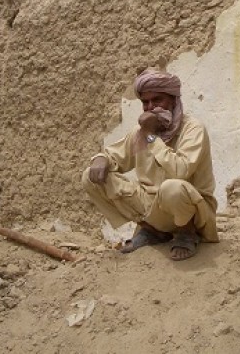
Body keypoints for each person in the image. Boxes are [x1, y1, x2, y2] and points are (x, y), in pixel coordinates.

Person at [81, 68, 219, 261]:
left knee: (172, 187)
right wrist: (100, 159)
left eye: (157, 100)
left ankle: (186, 234)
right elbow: (113, 156)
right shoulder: (140, 132)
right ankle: (152, 231)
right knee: (91, 176)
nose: (150, 108)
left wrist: (151, 137)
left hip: (193, 211)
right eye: (145, 102)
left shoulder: (193, 129)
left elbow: (180, 171)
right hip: (152, 208)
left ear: (173, 100)